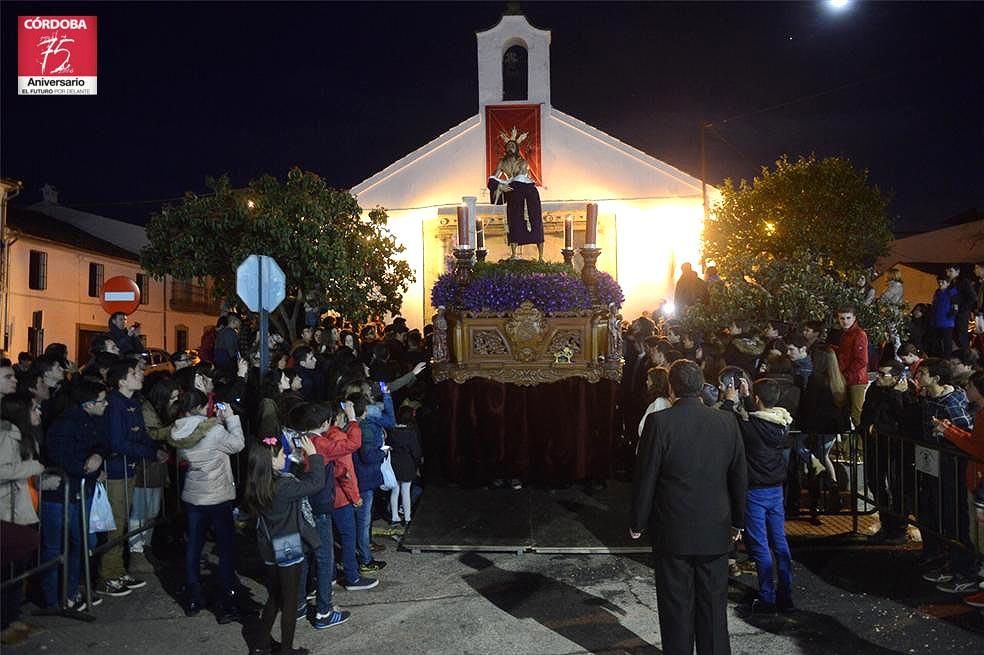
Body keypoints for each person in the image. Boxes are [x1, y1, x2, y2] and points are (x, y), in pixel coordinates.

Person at [630, 359, 747, 655]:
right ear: (701, 385)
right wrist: (739, 522)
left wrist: (637, 522)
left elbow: (646, 477)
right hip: (715, 526)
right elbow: (738, 477)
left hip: (673, 527)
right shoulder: (726, 422)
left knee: (676, 604)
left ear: (672, 388)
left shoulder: (660, 423)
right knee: (713, 604)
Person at [245, 434, 325, 655]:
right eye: (281, 454)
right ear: (271, 461)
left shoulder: (258, 485)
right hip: (287, 543)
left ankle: (261, 644)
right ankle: (286, 649)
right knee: (289, 600)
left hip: (267, 544)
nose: (285, 456)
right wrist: (315, 457)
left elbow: (294, 482)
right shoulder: (283, 486)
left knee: (276, 595)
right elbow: (316, 484)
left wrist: (298, 461)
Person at [168, 389, 245, 620]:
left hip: (194, 495)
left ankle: (193, 595)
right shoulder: (212, 430)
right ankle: (226, 600)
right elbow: (237, 444)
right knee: (225, 548)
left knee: (194, 546)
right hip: (218, 495)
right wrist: (230, 419)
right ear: (202, 406)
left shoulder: (178, 429)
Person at [722, 377, 795, 613]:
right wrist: (747, 398)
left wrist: (730, 400)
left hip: (755, 492)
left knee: (760, 546)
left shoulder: (750, 428)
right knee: (780, 544)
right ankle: (785, 595)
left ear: (757, 398)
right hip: (776, 489)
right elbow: (759, 418)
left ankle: (766, 596)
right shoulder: (781, 422)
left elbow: (729, 420)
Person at [40, 380, 109, 611]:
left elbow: (101, 444)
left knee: (79, 544)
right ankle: (52, 599)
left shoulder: (92, 420)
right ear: (88, 404)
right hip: (62, 494)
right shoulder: (65, 424)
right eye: (102, 401)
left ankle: (70, 592)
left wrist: (98, 456)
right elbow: (61, 456)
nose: (106, 404)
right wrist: (87, 468)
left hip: (80, 490)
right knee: (55, 548)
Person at [101, 359, 167, 597]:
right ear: (121, 381)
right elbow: (118, 441)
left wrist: (156, 448)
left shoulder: (134, 403)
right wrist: (150, 452)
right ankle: (109, 575)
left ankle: (118, 570)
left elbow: (141, 436)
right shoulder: (114, 404)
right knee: (116, 524)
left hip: (130, 470)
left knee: (123, 522)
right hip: (116, 471)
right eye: (134, 372)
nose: (140, 375)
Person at [289, 401, 358, 629]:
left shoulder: (296, 439)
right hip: (318, 507)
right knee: (324, 557)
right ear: (325, 423)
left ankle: (298, 605)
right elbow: (352, 444)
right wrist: (353, 418)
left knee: (303, 555)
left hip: (299, 506)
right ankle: (324, 612)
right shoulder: (320, 443)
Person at [0, 384, 46, 644]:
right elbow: (3, 470)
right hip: (8, 511)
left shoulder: (26, 436)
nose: (38, 412)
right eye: (35, 408)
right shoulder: (7, 436)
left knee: (18, 570)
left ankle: (13, 617)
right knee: (7, 571)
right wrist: (32, 467)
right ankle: (3, 623)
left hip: (25, 507)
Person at [487, 127, 544, 261]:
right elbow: (493, 179)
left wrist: (517, 181)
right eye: (509, 146)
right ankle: (513, 254)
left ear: (517, 149)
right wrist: (500, 186)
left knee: (535, 220)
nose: (511, 148)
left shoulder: (523, 162)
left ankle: (541, 256)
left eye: (513, 146)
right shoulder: (502, 163)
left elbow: (525, 177)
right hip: (513, 193)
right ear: (506, 149)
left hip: (527, 193)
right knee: (514, 222)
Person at [833, 305, 868, 428]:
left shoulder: (859, 334)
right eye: (842, 318)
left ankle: (862, 444)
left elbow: (862, 360)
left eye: (848, 318)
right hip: (848, 377)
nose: (845, 321)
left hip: (856, 379)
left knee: (857, 415)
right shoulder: (845, 334)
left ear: (854, 318)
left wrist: (845, 375)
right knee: (848, 412)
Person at [388, 405, 422, 527]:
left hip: (394, 464)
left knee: (394, 491)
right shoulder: (411, 433)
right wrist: (418, 463)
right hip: (408, 465)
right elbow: (416, 452)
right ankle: (407, 517)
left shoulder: (391, 432)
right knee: (406, 491)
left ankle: (394, 517)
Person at [931, 274, 958, 357]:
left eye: (943, 282)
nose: (940, 284)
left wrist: (951, 315)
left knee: (947, 343)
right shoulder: (937, 292)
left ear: (948, 283)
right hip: (937, 321)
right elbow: (934, 304)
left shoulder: (952, 292)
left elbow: (955, 306)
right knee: (936, 342)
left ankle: (948, 358)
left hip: (947, 322)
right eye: (939, 282)